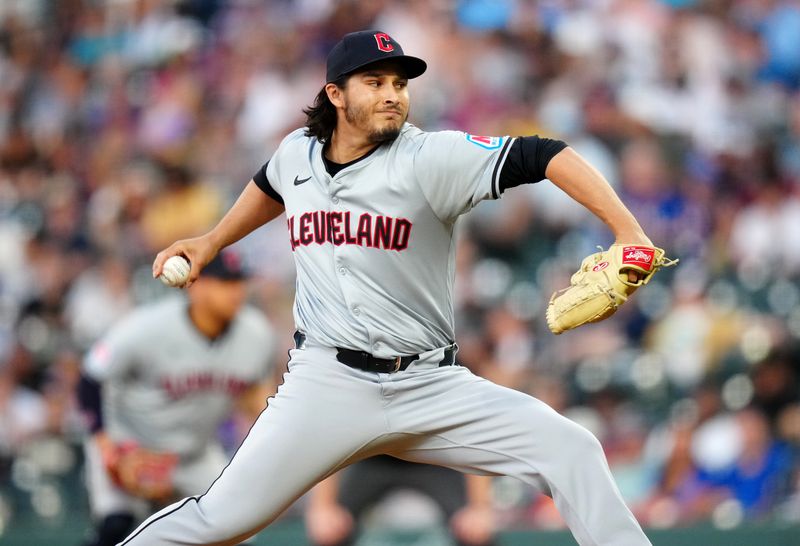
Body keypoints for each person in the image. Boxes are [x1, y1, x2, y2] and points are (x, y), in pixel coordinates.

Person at [122, 30, 656, 545]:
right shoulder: (297, 154)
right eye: (374, 82)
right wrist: (213, 241)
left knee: (572, 449)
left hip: (430, 385)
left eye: (399, 84)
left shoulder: (430, 158)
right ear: (335, 94)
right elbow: (270, 185)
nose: (391, 95)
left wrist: (628, 232)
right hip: (326, 384)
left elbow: (545, 154)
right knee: (219, 522)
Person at [78, 249, 277, 546]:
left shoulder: (257, 333)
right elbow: (91, 378)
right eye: (225, 282)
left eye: (240, 282)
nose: (237, 291)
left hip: (194, 454)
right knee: (118, 529)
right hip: (130, 447)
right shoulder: (148, 327)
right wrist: (107, 447)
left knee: (237, 532)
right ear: (197, 286)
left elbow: (257, 400)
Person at [305, 456, 496, 546]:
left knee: (475, 531)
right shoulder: (355, 376)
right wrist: (323, 505)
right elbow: (335, 425)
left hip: (435, 457)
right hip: (373, 457)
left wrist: (479, 506)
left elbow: (471, 430)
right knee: (331, 530)